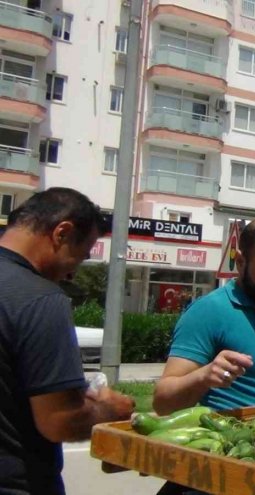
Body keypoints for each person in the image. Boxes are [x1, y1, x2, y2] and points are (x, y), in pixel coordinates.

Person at [152, 216, 255, 495]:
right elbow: (163, 401)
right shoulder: (208, 312)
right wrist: (204, 376)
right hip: (222, 473)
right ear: (240, 262)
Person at [0, 188, 135, 495]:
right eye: (82, 255)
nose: (74, 273)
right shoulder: (40, 299)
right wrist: (110, 410)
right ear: (62, 232)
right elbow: (59, 420)